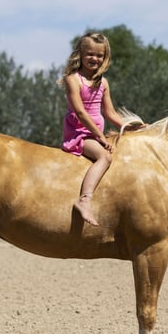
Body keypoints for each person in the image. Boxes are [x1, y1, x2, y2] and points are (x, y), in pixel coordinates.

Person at [59, 32, 130, 226]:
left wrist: (130, 126)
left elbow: (111, 114)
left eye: (99, 55)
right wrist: (100, 137)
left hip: (96, 134)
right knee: (105, 157)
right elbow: (81, 113)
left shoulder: (103, 82)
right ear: (80, 54)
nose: (94, 59)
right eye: (90, 54)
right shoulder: (73, 79)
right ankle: (84, 200)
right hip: (80, 133)